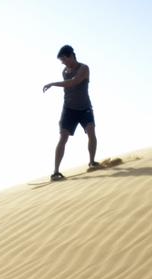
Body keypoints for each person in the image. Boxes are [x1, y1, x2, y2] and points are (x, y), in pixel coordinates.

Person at [43, 45, 99, 181]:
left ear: (71, 56)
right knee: (63, 138)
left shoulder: (84, 68)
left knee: (91, 131)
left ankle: (92, 162)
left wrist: (52, 84)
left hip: (84, 107)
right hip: (69, 109)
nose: (62, 62)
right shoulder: (65, 71)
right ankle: (55, 171)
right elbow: (68, 84)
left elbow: (73, 82)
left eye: (63, 59)